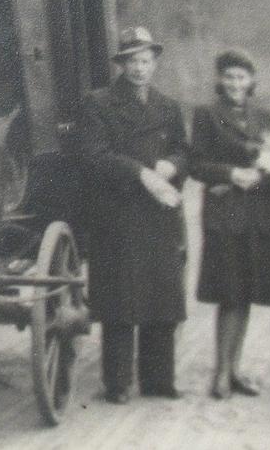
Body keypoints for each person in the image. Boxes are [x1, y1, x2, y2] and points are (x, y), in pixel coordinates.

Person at [79, 26, 188, 405]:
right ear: (121, 65)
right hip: (118, 215)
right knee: (120, 303)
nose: (140, 69)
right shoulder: (98, 103)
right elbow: (93, 157)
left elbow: (182, 151)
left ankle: (159, 381)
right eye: (132, 62)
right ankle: (118, 382)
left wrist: (172, 167)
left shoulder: (168, 107)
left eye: (146, 61)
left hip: (159, 216)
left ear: (155, 63)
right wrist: (141, 173)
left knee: (161, 299)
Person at [190, 50, 270, 400]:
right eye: (228, 76)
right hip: (224, 216)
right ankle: (222, 373)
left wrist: (260, 175)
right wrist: (230, 173)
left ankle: (236, 369)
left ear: (252, 81)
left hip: (256, 217)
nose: (235, 83)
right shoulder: (206, 114)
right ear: (220, 80)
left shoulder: (264, 116)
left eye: (241, 77)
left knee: (246, 295)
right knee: (230, 294)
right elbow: (197, 164)